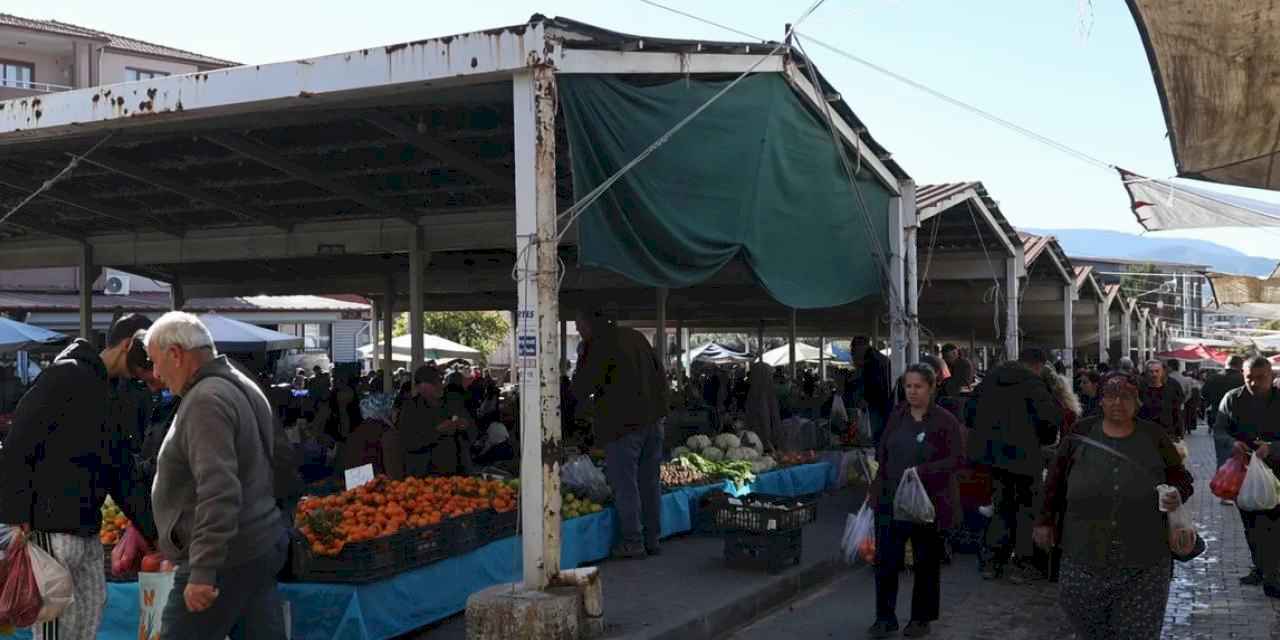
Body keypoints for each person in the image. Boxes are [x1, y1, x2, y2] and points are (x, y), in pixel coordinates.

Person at [0, 316, 157, 640]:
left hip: (85, 529)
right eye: (147, 357)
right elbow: (19, 443)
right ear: (129, 343)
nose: (150, 372)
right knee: (58, 625)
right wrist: (18, 516)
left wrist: (153, 531)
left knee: (90, 611)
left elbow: (120, 471)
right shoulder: (65, 376)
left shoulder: (110, 392)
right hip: (50, 526)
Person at [144, 312, 288, 640]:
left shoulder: (206, 400)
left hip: (225, 558)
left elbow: (219, 490)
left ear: (176, 354)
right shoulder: (240, 383)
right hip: (256, 544)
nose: (154, 374)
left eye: (155, 361)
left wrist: (203, 571)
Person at [1036, 372, 1193, 640]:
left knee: (1138, 633)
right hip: (1082, 555)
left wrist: (1176, 494)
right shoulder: (1080, 433)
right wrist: (1044, 521)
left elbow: (1182, 479)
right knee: (1089, 629)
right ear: (1101, 400)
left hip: (1145, 561)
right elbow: (1055, 481)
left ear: (1138, 402)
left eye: (1126, 396)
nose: (1118, 403)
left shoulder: (1154, 436)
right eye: (1111, 396)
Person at [865, 363, 962, 639]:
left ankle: (921, 618)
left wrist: (923, 472)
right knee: (886, 560)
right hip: (890, 499)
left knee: (925, 562)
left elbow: (956, 459)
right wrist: (875, 488)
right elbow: (882, 452)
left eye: (918, 386)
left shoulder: (945, 421)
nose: (912, 392)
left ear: (931, 388)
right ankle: (885, 618)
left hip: (927, 503)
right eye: (908, 386)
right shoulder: (897, 416)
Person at [572, 307, 668, 559]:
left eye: (579, 326)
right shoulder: (636, 337)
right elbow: (661, 375)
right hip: (653, 420)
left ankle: (633, 541)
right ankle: (653, 539)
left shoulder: (598, 344)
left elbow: (582, 387)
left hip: (623, 425)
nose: (577, 331)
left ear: (590, 324)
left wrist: (582, 356)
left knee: (625, 483)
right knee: (649, 481)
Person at [968, 347, 1064, 582]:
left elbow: (969, 413)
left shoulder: (990, 380)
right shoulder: (1034, 384)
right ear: (1039, 365)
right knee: (1026, 509)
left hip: (992, 457)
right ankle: (1020, 565)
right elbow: (1050, 421)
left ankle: (992, 562)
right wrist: (1041, 440)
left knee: (1001, 507)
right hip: (1024, 457)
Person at [1215, 356, 1280, 594]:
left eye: (1260, 378)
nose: (1254, 383)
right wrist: (1232, 443)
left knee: (1274, 526)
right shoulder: (1232, 399)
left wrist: (1272, 448)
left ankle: (1272, 575)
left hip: (1277, 473)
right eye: (1249, 377)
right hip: (1243, 474)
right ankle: (1262, 568)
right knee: (1251, 524)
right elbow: (1219, 430)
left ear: (1271, 377)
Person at [397, 365, 473, 476]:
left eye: (438, 382)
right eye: (432, 385)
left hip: (455, 469)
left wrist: (465, 425)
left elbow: (471, 428)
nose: (438, 387)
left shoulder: (453, 401)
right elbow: (408, 442)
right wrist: (437, 431)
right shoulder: (410, 408)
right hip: (423, 472)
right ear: (419, 388)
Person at [338, 393, 404, 480]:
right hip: (378, 488)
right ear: (389, 411)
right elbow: (395, 474)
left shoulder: (357, 431)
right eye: (396, 410)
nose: (398, 414)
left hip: (356, 489)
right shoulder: (386, 433)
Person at [1205, 355, 1246, 469]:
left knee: (1222, 456)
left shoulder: (1213, 377)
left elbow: (1204, 395)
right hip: (1239, 423)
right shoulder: (1243, 379)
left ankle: (1223, 479)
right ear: (1240, 365)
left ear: (1226, 364)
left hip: (1217, 418)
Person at [853, 336, 894, 445]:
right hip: (881, 403)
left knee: (875, 435)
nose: (853, 353)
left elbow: (875, 383)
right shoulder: (876, 358)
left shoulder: (873, 361)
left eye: (854, 349)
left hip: (877, 404)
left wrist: (866, 398)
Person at [1139, 359, 1185, 441]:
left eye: (1157, 371)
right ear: (1146, 373)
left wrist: (1179, 434)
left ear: (1162, 372)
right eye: (1151, 371)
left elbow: (1176, 412)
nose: (1154, 374)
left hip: (1167, 433)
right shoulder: (1141, 389)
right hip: (1146, 434)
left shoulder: (1171, 388)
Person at [745, 361, 784, 450]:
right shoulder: (766, 391)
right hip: (763, 441)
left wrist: (767, 441)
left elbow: (765, 418)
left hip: (761, 442)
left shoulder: (758, 392)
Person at [1166, 359, 1201, 434]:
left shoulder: (1165, 378)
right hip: (1180, 406)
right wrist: (1182, 401)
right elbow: (1189, 393)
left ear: (1170, 367)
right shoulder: (1186, 379)